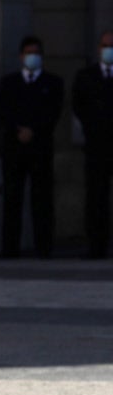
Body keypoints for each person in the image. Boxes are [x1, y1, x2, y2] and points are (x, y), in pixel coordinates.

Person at [0, 34, 64, 259]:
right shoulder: (9, 83)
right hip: (14, 148)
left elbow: (53, 112)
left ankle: (43, 247)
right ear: (21, 56)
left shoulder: (53, 83)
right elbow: (3, 111)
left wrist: (33, 130)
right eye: (28, 53)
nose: (32, 57)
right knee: (12, 199)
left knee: (42, 200)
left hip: (40, 148)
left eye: (36, 53)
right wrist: (19, 129)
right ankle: (10, 248)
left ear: (42, 56)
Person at [75, 29, 113, 259]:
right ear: (99, 49)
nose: (109, 50)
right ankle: (96, 245)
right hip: (96, 145)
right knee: (96, 198)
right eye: (105, 46)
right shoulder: (86, 76)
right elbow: (79, 106)